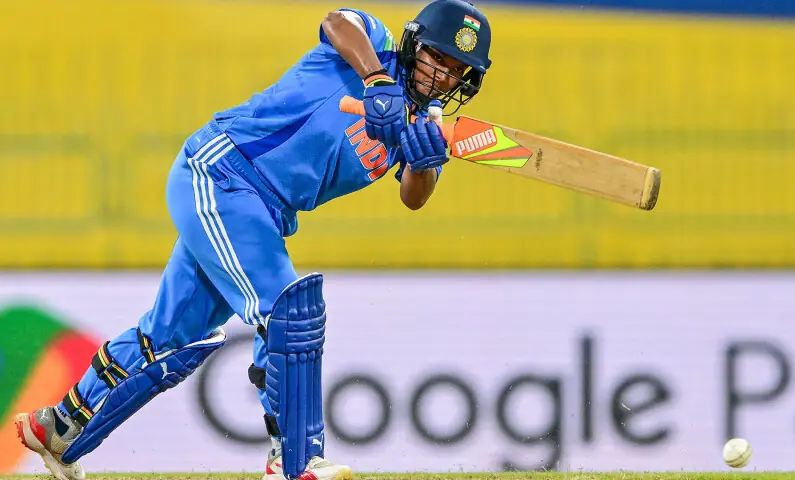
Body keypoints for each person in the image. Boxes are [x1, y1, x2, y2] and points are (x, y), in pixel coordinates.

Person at [14, 1, 492, 479]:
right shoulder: (375, 46)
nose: (442, 76)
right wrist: (376, 80)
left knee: (168, 336)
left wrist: (425, 161)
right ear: (414, 44)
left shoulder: (425, 125)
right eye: (437, 58)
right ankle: (297, 458)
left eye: (457, 71)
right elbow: (335, 21)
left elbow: (414, 197)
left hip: (265, 214)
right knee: (287, 311)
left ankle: (59, 426)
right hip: (223, 172)